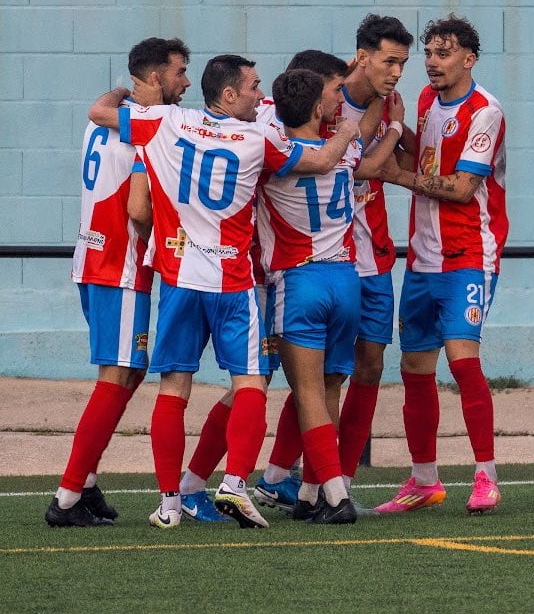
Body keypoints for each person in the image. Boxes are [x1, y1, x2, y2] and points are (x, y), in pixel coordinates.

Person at [88, 54, 359, 529]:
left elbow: (101, 115)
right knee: (251, 383)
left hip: (178, 277)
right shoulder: (259, 138)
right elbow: (320, 159)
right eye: (254, 87)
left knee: (174, 388)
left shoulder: (169, 120)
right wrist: (347, 132)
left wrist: (123, 92)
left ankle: (170, 503)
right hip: (234, 281)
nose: (261, 96)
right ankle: (236, 483)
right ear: (230, 94)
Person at [44, 37, 191, 527]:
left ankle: (84, 483)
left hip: (91, 261)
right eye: (178, 72)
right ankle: (66, 498)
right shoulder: (153, 128)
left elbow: (101, 107)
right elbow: (139, 209)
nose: (185, 82)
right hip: (122, 267)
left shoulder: (101, 117)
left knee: (127, 371)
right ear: (154, 79)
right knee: (117, 375)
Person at [256, 67, 404, 523]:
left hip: (300, 280)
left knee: (307, 394)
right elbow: (364, 156)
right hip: (346, 277)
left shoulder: (276, 151)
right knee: (332, 385)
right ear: (318, 108)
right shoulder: (347, 146)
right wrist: (392, 124)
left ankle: (336, 495)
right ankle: (308, 491)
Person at [375, 14, 508, 515]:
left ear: (468, 59)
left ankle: (485, 475)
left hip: (469, 254)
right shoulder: (430, 101)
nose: (432, 62)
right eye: (428, 53)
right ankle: (424, 480)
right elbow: (427, 154)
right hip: (423, 258)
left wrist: (393, 174)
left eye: (443, 53)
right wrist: (392, 126)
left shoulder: (484, 111)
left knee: (463, 362)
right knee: (414, 367)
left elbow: (460, 188)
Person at [323, 15, 415, 493]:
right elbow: (362, 171)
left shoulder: (391, 102)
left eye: (402, 62)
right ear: (362, 57)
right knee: (327, 372)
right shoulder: (327, 98)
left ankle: (343, 476)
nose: (397, 71)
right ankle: (310, 477)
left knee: (371, 364)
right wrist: (393, 129)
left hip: (373, 257)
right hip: (328, 259)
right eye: (389, 60)